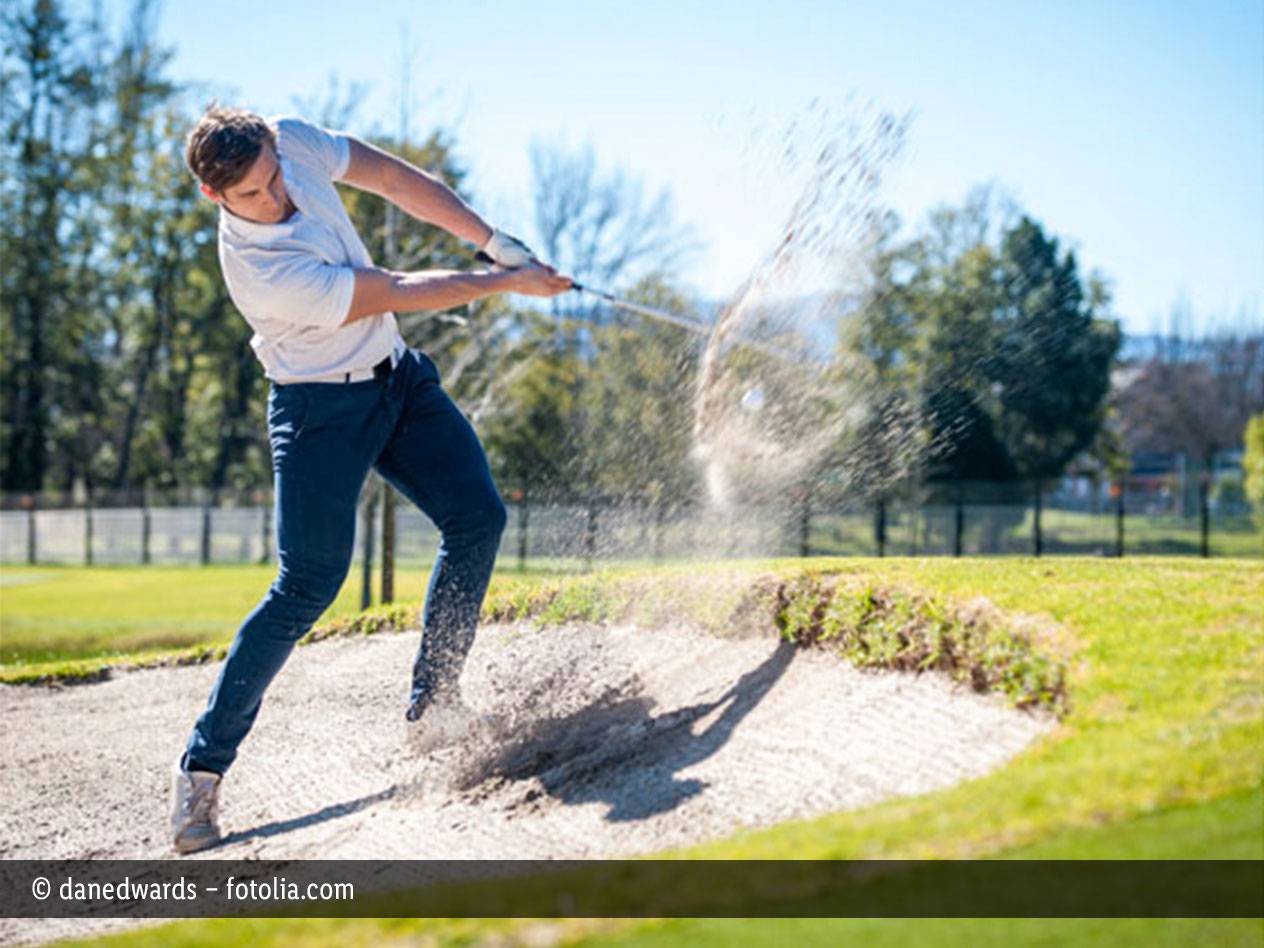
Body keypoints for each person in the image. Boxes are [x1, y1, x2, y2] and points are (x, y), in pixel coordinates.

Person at [170, 104, 571, 854]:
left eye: (274, 178)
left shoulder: (290, 142)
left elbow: (389, 177)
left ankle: (433, 704)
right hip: (320, 409)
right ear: (214, 197)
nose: (277, 197)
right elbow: (390, 289)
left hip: (397, 381)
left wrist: (491, 241)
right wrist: (506, 283)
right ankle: (202, 769)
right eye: (253, 196)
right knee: (308, 585)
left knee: (478, 518)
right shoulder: (261, 271)